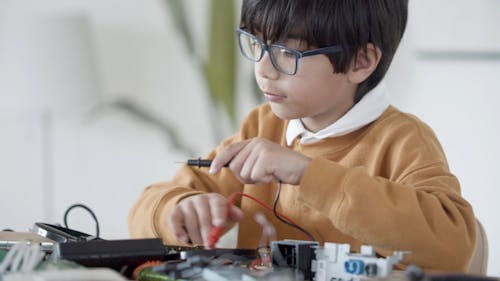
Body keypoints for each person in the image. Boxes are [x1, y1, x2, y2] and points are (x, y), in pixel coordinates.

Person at [129, 0, 476, 271]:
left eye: (287, 53)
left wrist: (308, 173)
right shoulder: (262, 126)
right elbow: (144, 211)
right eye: (256, 43)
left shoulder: (402, 141)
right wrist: (179, 208)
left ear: (361, 61)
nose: (262, 70)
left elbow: (454, 247)